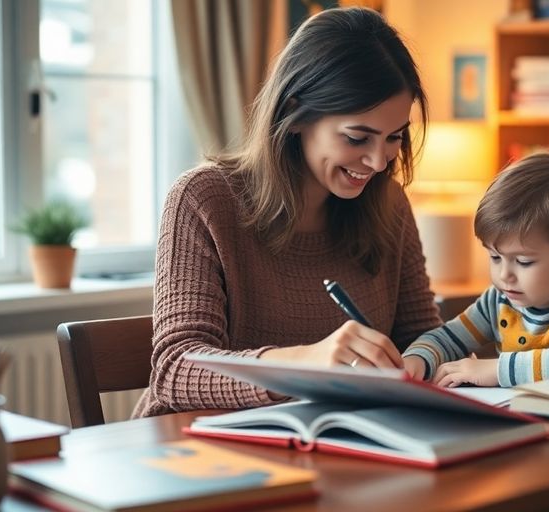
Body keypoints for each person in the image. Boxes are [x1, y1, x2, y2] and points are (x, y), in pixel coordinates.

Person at [133, 7, 442, 418]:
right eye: (357, 137)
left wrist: (427, 360)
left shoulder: (390, 205)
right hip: (193, 451)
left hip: (330, 441)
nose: (379, 161)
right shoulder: (203, 199)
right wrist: (306, 363)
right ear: (295, 114)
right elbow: (175, 369)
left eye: (393, 138)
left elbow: (424, 338)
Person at [402, 152, 549, 388]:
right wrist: (416, 360)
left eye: (523, 262)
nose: (504, 275)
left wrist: (497, 369)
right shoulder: (498, 300)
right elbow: (446, 339)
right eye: (495, 257)